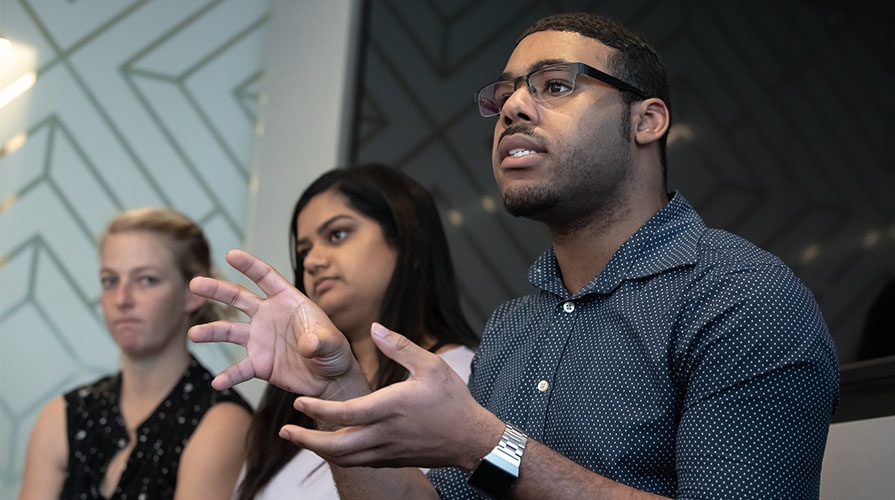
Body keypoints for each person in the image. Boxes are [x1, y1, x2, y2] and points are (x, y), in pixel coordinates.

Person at [188, 11, 840, 500]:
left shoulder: (739, 297)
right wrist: (340, 385)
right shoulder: (512, 329)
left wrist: (483, 442)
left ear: (646, 122)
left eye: (554, 86)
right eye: (502, 97)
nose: (512, 108)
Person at [233, 164, 480, 499]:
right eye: (304, 250)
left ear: (408, 241)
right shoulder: (297, 392)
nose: (312, 261)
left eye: (337, 234)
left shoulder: (466, 377)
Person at [18, 207, 253, 500]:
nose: (122, 299)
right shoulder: (64, 415)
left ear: (192, 293)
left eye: (147, 280)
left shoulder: (222, 421)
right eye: (110, 281)